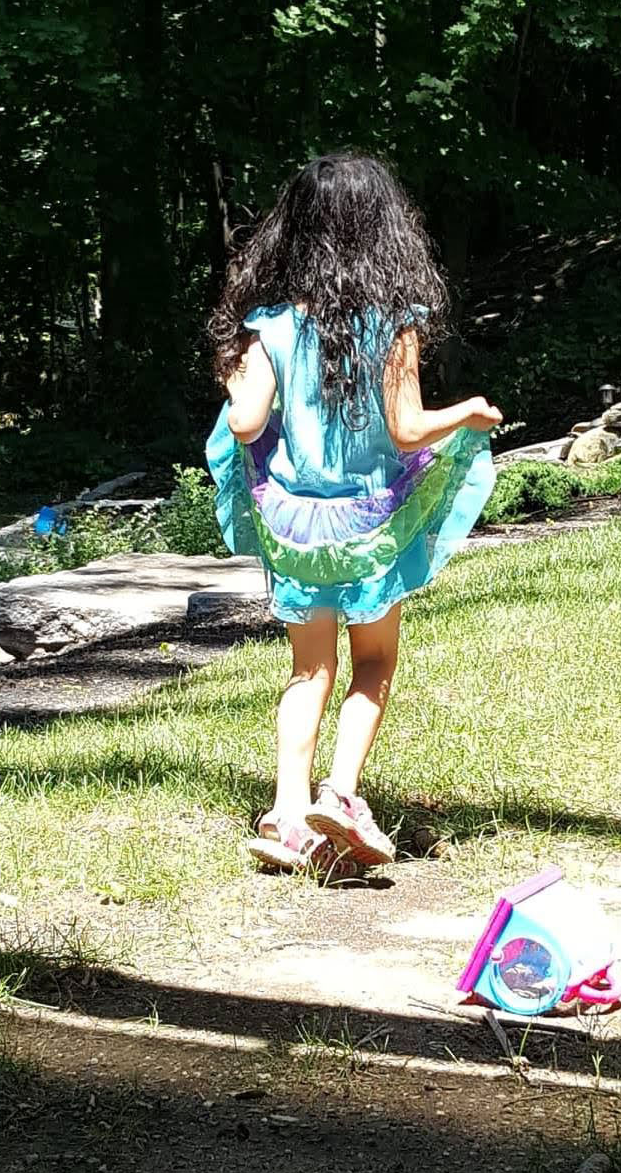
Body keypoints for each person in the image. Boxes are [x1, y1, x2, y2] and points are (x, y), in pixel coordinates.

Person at [206, 154, 501, 874]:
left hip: (295, 528)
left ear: (293, 232)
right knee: (372, 662)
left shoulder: (265, 327)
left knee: (310, 671)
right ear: (384, 233)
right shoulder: (396, 325)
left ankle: (284, 814)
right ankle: (337, 795)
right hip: (372, 526)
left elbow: (244, 425)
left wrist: (232, 366)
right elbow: (406, 431)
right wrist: (466, 412)